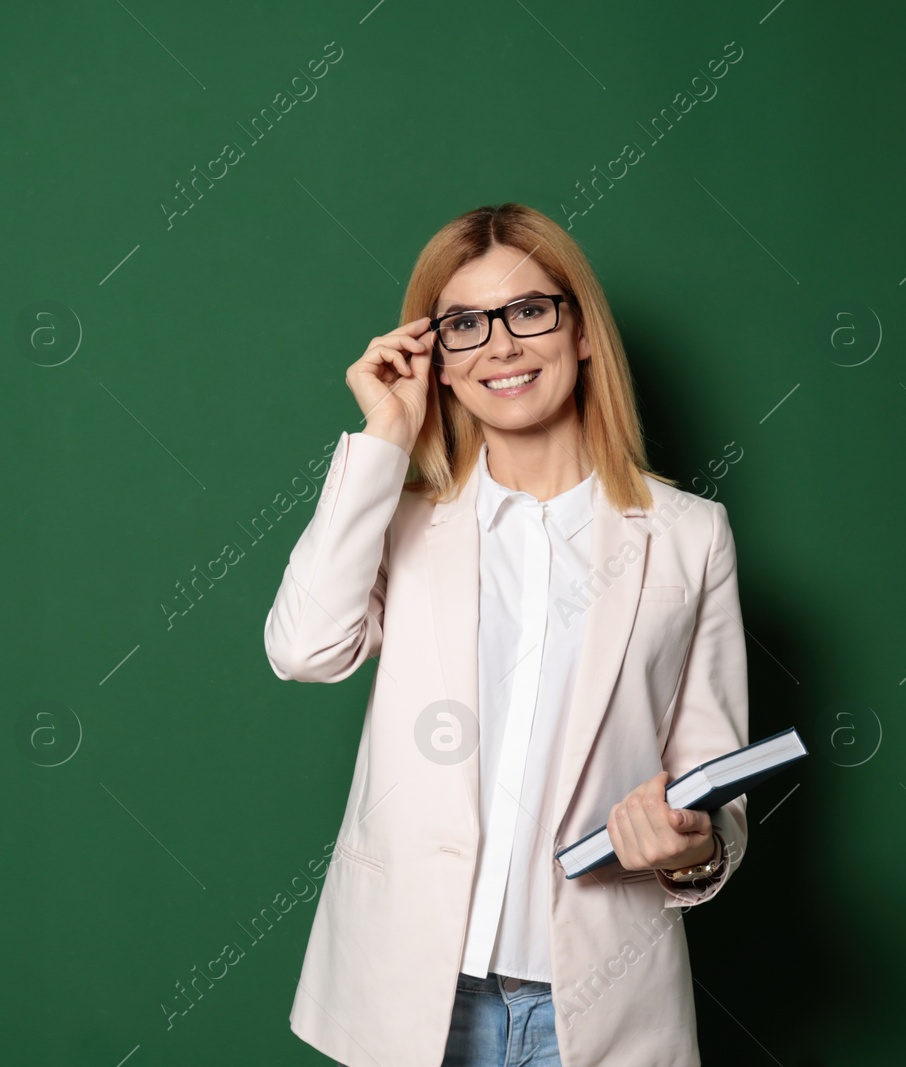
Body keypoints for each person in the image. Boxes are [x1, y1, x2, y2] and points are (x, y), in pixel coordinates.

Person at [263, 203, 749, 1067]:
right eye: (464, 325)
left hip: (599, 1003)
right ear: (438, 359)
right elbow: (304, 647)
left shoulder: (688, 535)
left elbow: (718, 783)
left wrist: (692, 846)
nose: (502, 345)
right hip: (412, 994)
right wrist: (385, 434)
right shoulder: (404, 519)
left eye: (529, 311)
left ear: (581, 329)